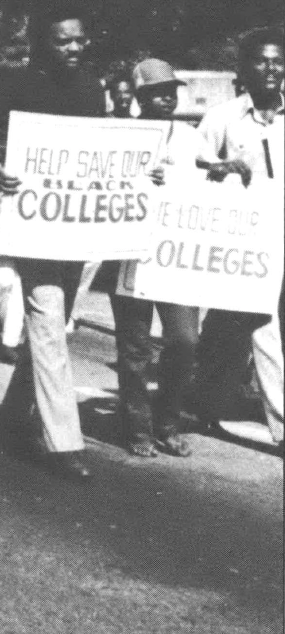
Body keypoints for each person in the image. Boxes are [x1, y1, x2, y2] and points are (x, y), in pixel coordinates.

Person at [0, 7, 104, 480]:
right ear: (43, 45)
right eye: (63, 42)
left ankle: (14, 414)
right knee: (50, 320)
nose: (74, 49)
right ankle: (63, 442)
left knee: (49, 327)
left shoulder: (93, 89)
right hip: (34, 230)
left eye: (80, 40)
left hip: (77, 232)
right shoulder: (16, 87)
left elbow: (108, 151)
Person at [105, 60, 200, 458]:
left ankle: (168, 420)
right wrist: (136, 178)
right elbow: (103, 185)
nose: (167, 97)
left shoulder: (192, 136)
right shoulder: (122, 135)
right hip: (131, 255)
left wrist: (226, 169)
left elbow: (209, 172)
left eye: (171, 90)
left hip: (176, 254)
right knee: (135, 348)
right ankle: (138, 427)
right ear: (139, 96)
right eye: (157, 92)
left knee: (184, 340)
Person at [194, 27, 283, 445]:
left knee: (246, 329)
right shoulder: (223, 118)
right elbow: (194, 167)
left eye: (278, 61)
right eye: (262, 61)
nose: (271, 68)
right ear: (245, 69)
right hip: (246, 246)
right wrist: (223, 168)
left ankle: (207, 400)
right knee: (257, 326)